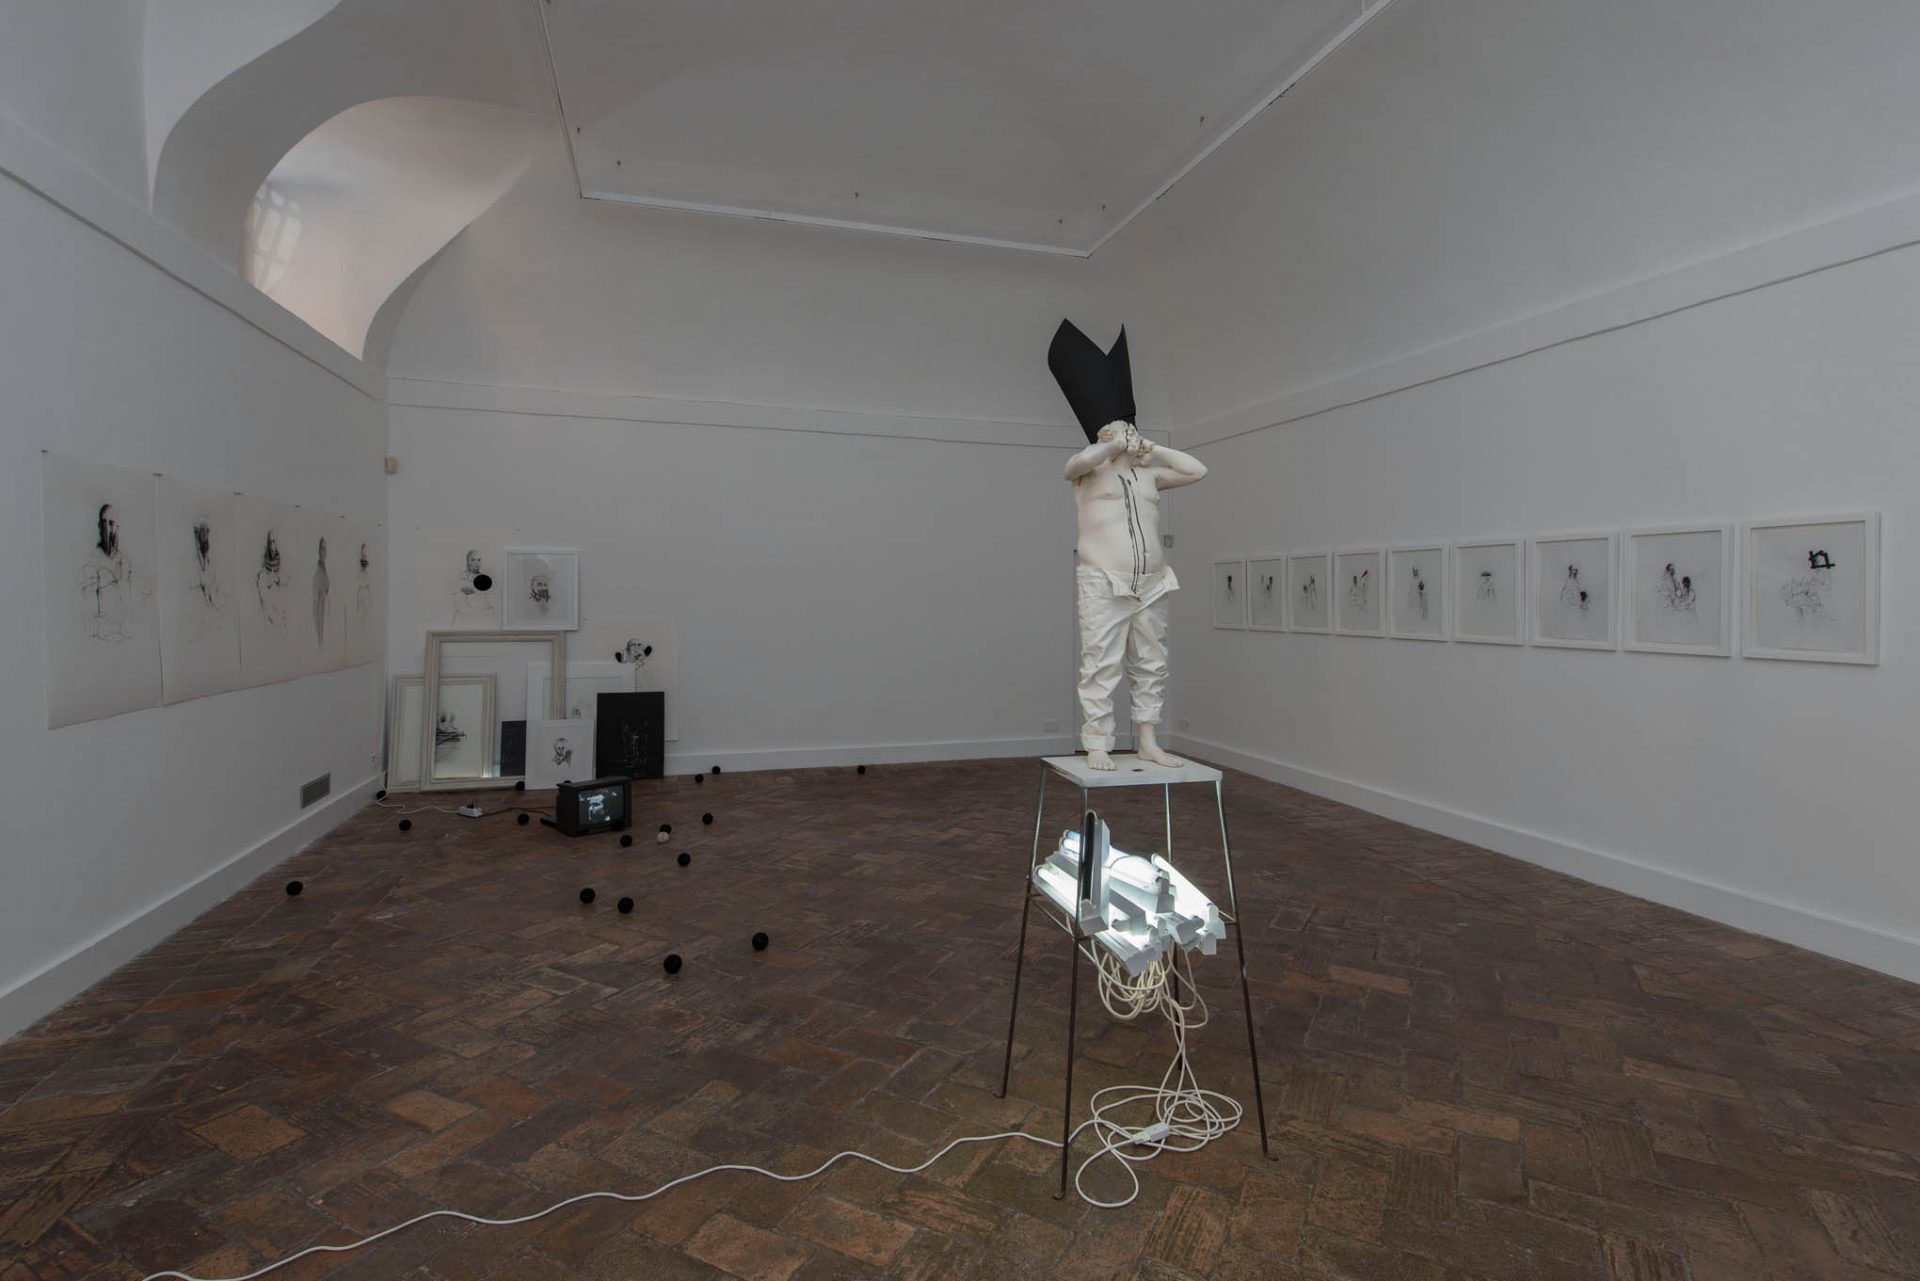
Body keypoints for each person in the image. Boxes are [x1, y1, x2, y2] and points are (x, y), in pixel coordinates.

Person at [1050, 321, 1207, 771]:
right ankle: (1097, 742)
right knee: (1100, 664)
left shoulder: (1148, 475)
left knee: (1152, 662)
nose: (1125, 432)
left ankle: (1147, 739)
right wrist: (1107, 445)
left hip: (1152, 581)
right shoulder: (1086, 473)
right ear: (1100, 431)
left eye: (1128, 425)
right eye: (1115, 426)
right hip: (1103, 579)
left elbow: (1197, 470)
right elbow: (1076, 463)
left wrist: (1152, 449)